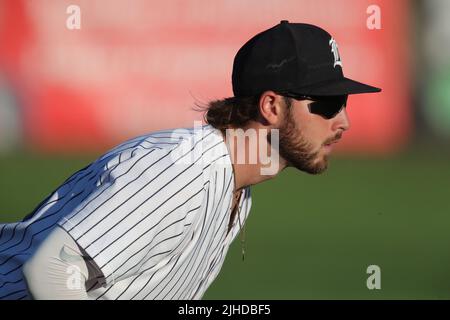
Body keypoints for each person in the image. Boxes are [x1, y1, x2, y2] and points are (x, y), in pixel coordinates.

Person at [0, 20, 380, 300]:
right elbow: (51, 268)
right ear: (271, 106)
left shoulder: (236, 188)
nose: (343, 121)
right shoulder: (184, 171)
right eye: (327, 104)